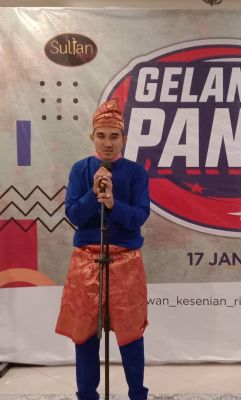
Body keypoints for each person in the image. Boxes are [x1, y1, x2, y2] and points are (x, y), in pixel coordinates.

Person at [55, 98, 150, 400]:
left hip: (126, 260)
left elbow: (139, 216)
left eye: (114, 136)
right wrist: (92, 194)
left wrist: (112, 204)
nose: (108, 143)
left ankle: (137, 394)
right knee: (84, 334)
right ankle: (86, 395)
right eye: (101, 135)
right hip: (86, 261)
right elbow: (74, 214)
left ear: (124, 139)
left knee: (131, 333)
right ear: (92, 137)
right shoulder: (80, 170)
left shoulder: (136, 173)